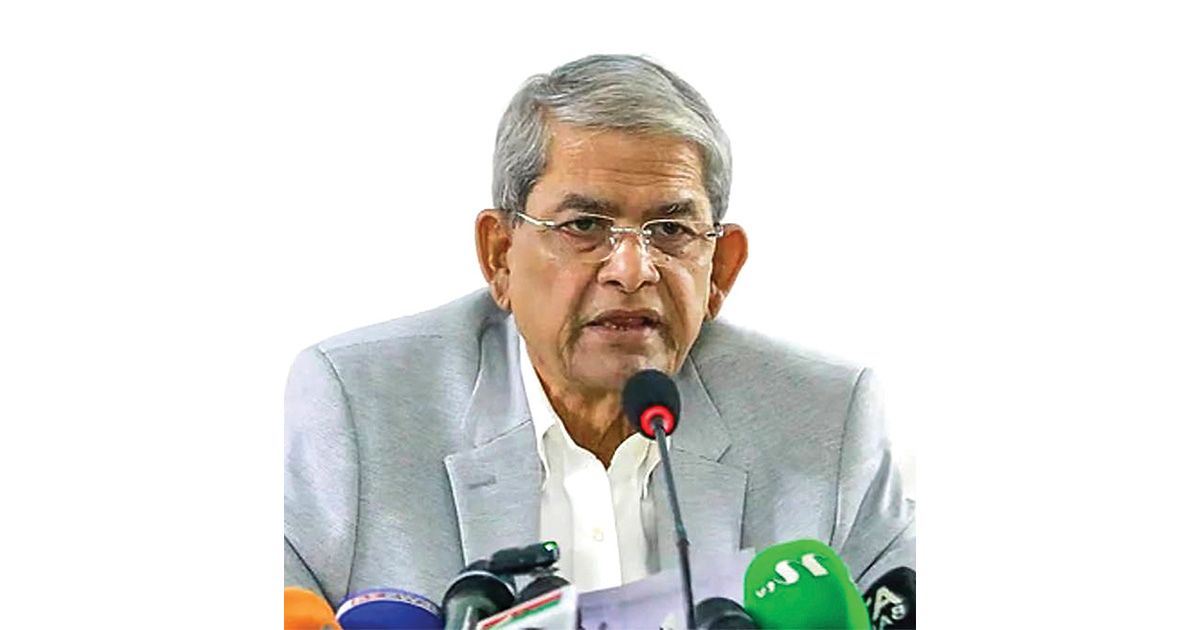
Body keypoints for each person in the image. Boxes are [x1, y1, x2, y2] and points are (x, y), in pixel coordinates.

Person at [284, 54, 915, 606]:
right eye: (584, 226)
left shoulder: (825, 421)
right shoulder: (356, 409)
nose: (632, 270)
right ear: (500, 255)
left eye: (671, 231)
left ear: (720, 269)